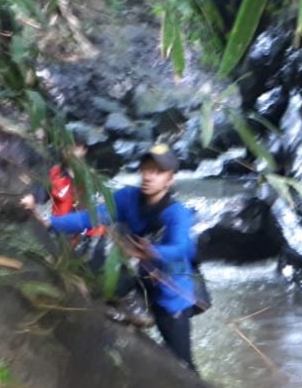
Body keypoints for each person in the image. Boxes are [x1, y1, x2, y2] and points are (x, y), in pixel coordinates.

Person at [46, 143, 199, 372]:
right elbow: (91, 218)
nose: (149, 176)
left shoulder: (177, 213)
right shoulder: (128, 199)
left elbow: (181, 248)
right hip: (139, 280)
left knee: (183, 363)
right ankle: (128, 307)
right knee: (96, 262)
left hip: (169, 293)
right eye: (146, 169)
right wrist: (50, 223)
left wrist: (153, 252)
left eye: (157, 172)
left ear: (170, 179)